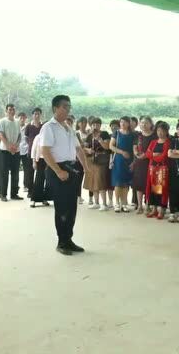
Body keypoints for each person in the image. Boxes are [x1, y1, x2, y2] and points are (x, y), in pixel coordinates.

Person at [40, 95, 89, 256]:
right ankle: (61, 242)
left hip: (71, 168)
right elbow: (45, 151)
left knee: (71, 206)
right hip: (58, 169)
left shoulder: (68, 128)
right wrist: (58, 171)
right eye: (65, 107)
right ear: (55, 108)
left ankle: (69, 239)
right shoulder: (49, 127)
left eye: (69, 107)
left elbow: (78, 149)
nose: (68, 109)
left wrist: (86, 167)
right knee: (62, 207)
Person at [83, 118, 112, 211]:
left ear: (100, 125)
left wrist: (99, 139)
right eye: (93, 125)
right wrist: (88, 150)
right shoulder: (89, 136)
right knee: (93, 181)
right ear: (91, 126)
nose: (95, 126)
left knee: (101, 180)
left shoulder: (104, 134)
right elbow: (84, 147)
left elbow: (107, 147)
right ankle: (96, 202)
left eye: (97, 124)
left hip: (102, 160)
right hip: (91, 160)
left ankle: (104, 204)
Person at [109, 116, 136, 213]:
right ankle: (117, 203)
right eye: (121, 122)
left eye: (125, 122)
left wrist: (134, 161)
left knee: (126, 183)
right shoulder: (116, 133)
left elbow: (134, 148)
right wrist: (122, 152)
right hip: (118, 160)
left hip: (129, 160)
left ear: (129, 123)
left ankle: (124, 203)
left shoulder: (133, 135)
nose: (122, 124)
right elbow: (111, 146)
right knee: (118, 182)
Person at [145, 121, 171, 219]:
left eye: (162, 131)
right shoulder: (153, 142)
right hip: (152, 169)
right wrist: (153, 155)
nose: (160, 133)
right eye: (158, 130)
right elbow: (147, 154)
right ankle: (154, 209)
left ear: (166, 131)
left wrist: (153, 156)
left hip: (162, 169)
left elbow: (164, 156)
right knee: (152, 189)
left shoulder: (168, 142)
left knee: (161, 190)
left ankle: (161, 210)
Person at [131, 116, 157, 214]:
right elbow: (134, 147)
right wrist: (137, 154)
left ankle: (148, 205)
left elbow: (155, 149)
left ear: (151, 124)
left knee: (149, 184)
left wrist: (145, 155)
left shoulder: (154, 136)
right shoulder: (138, 135)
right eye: (142, 123)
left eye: (146, 123)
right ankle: (139, 206)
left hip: (150, 162)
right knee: (139, 184)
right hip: (139, 163)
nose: (143, 124)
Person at [0, 104, 22, 201]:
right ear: (6, 111)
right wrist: (8, 146)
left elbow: (20, 135)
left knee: (15, 173)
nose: (12, 111)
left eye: (13, 109)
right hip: (5, 150)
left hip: (16, 151)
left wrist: (16, 145)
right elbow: (1, 134)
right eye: (10, 110)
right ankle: (3, 195)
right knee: (4, 173)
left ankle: (14, 194)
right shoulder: (3, 121)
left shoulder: (17, 122)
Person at [24, 108, 43, 199]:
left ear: (40, 115)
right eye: (35, 114)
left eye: (38, 114)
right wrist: (31, 145)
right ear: (32, 115)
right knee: (30, 173)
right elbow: (26, 138)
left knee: (40, 174)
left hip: (41, 154)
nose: (37, 116)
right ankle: (30, 191)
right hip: (31, 152)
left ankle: (39, 192)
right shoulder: (28, 126)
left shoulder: (43, 126)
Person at [30, 132, 51, 208]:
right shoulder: (38, 137)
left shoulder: (50, 137)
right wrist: (34, 162)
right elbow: (33, 149)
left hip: (49, 160)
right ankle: (33, 200)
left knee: (48, 180)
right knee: (39, 180)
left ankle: (44, 198)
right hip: (40, 160)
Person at [18, 112, 31, 195]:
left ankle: (26, 185)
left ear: (26, 118)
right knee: (15, 170)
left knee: (27, 169)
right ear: (18, 118)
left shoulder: (28, 126)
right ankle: (15, 186)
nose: (22, 119)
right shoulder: (15, 126)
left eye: (24, 118)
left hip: (26, 149)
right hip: (17, 150)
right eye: (21, 118)